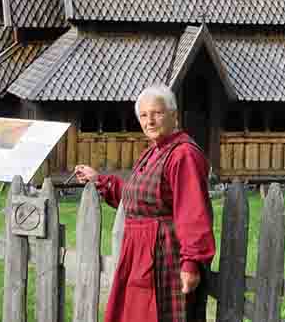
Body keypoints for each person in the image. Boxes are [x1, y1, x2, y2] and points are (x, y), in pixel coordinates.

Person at [74, 84, 215, 322]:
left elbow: (194, 213)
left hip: (164, 256)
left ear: (174, 115)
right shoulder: (153, 152)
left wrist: (191, 263)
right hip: (139, 255)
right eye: (143, 115)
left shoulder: (183, 155)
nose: (150, 121)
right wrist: (100, 181)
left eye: (157, 113)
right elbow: (138, 199)